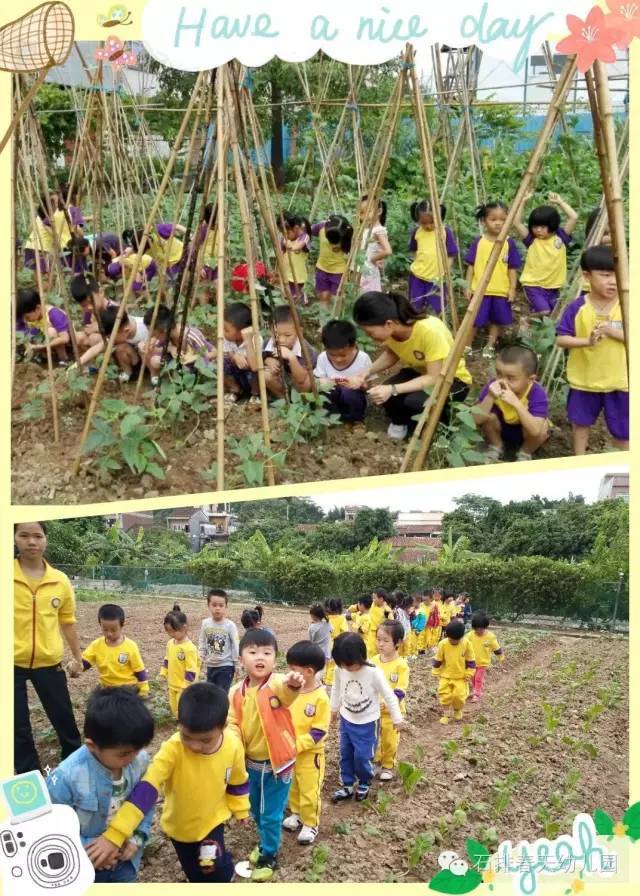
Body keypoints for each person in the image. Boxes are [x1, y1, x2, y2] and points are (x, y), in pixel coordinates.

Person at [86, 683, 249, 883]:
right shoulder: (172, 749)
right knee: (193, 871)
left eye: (205, 740)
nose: (195, 746)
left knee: (213, 868)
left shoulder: (233, 745)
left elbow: (237, 780)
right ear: (178, 724)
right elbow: (147, 789)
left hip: (213, 822)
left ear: (222, 727)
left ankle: (224, 876)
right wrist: (116, 833)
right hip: (179, 828)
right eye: (187, 737)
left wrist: (241, 807)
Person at [46, 687, 155, 882]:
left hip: (125, 861)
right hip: (82, 865)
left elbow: (146, 802)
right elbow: (51, 829)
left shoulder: (140, 761)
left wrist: (137, 837)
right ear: (92, 745)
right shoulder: (66, 777)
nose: (133, 758)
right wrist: (92, 850)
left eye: (137, 749)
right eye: (123, 754)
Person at [227, 629, 304, 881]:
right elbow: (232, 723)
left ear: (275, 658)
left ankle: (270, 853)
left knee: (270, 813)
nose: (260, 657)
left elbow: (288, 691)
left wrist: (294, 684)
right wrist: (233, 746)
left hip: (277, 765)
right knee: (255, 810)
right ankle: (264, 842)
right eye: (252, 652)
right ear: (241, 659)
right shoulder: (236, 692)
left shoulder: (276, 683)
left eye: (267, 653)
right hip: (250, 763)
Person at [351, 291, 472, 441]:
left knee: (413, 401)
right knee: (386, 395)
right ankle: (401, 422)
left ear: (388, 323)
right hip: (420, 373)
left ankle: (440, 428)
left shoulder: (430, 331)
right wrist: (366, 371)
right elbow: (392, 354)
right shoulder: (393, 332)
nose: (369, 337)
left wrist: (393, 389)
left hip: (451, 380)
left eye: (370, 333)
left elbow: (434, 378)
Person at [14, 522, 83, 774]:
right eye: (24, 535)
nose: (31, 542)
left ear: (45, 540)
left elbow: (67, 622)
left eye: (37, 536)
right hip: (11, 664)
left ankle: (74, 765)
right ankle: (28, 774)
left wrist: (78, 656)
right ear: (14, 538)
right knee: (17, 724)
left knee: (63, 717)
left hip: (48, 661)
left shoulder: (59, 580)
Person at [556, 245, 628, 454]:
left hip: (621, 381)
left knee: (624, 431)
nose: (613, 281)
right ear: (587, 276)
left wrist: (610, 330)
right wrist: (586, 342)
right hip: (584, 379)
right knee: (580, 424)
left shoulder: (628, 305)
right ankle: (580, 459)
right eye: (605, 275)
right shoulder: (577, 307)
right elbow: (562, 339)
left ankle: (626, 465)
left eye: (618, 275)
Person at [330, 633, 406, 803]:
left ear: (361, 656)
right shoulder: (339, 669)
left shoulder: (373, 672)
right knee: (346, 754)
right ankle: (348, 784)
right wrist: (333, 709)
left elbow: (389, 695)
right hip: (346, 719)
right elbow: (336, 688)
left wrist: (397, 718)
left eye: (351, 664)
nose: (348, 668)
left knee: (363, 756)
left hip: (367, 723)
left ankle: (364, 782)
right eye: (343, 664)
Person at [283, 642, 330, 845]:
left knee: (310, 789)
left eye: (293, 669)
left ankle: (311, 823)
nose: (289, 673)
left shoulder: (320, 698)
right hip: (291, 752)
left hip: (311, 755)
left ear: (309, 672)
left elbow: (319, 731)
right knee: (293, 786)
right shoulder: (291, 692)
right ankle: (297, 813)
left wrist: (299, 744)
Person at [464, 202, 522, 358]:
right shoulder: (479, 242)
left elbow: (512, 269)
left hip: (500, 290)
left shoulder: (509, 243)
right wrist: (467, 286)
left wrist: (511, 288)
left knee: (496, 321)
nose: (498, 223)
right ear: (484, 221)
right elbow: (471, 266)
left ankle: (490, 346)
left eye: (503, 219)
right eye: (493, 219)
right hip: (479, 290)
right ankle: (467, 344)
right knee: (474, 320)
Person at [475, 344, 550, 463]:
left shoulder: (537, 393)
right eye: (499, 374)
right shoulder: (493, 387)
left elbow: (535, 431)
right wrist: (490, 396)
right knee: (488, 416)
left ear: (530, 379)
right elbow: (476, 420)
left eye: (510, 378)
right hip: (500, 429)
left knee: (542, 430)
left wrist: (516, 403)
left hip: (525, 434)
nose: (502, 382)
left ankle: (524, 453)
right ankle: (496, 446)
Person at [515, 192, 578, 318]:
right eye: (535, 226)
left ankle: (527, 329)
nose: (538, 230)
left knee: (550, 317)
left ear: (552, 225)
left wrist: (560, 203)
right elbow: (516, 222)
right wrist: (522, 202)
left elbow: (573, 217)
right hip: (533, 285)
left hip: (554, 287)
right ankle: (525, 318)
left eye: (543, 227)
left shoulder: (560, 238)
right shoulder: (532, 240)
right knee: (545, 312)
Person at [245, 304, 317, 400]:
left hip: (299, 384)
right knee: (265, 374)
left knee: (308, 381)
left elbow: (302, 379)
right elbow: (257, 361)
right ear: (270, 331)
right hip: (280, 382)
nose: (282, 340)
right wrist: (267, 360)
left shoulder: (306, 349)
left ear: (300, 331)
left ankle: (301, 402)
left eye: (287, 335)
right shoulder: (268, 343)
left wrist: (291, 357)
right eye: (277, 335)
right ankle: (283, 400)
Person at [82, 604, 149, 698]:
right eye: (105, 630)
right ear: (100, 624)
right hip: (106, 690)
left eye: (113, 630)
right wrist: (77, 667)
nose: (109, 633)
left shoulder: (130, 646)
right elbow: (86, 662)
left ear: (122, 626)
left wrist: (143, 690)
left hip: (127, 691)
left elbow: (139, 671)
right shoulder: (96, 645)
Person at [314, 319, 372, 427]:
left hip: (354, 400)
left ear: (354, 345)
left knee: (348, 392)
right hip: (333, 400)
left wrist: (362, 385)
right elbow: (317, 382)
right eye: (332, 355)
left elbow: (369, 387)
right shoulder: (322, 358)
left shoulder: (363, 358)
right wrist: (324, 382)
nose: (338, 359)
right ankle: (331, 417)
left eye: (343, 355)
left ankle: (356, 420)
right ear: (325, 347)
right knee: (327, 391)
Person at [372, 621, 409, 781]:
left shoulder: (401, 665)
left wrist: (388, 703)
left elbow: (400, 690)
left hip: (392, 713)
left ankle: (388, 765)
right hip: (373, 711)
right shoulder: (373, 662)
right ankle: (375, 761)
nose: (381, 644)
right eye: (378, 639)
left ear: (398, 642)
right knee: (374, 738)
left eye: (386, 640)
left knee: (390, 740)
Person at [141, 304, 214, 385]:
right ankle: (178, 379)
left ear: (164, 331)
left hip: (194, 363)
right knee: (155, 361)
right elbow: (156, 349)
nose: (153, 338)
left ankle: (193, 382)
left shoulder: (191, 336)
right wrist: (170, 348)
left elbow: (211, 353)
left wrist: (194, 357)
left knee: (187, 369)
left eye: (154, 335)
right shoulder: (167, 336)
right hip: (181, 362)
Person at [407, 199, 458, 314]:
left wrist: (445, 270)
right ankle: (417, 324)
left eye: (432, 222)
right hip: (418, 276)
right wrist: (419, 262)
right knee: (416, 304)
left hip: (437, 278)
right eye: (424, 223)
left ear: (439, 218)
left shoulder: (444, 232)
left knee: (438, 307)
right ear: (418, 220)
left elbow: (451, 254)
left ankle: (437, 326)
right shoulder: (417, 232)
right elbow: (414, 250)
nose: (428, 226)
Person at [69, 274, 118, 369]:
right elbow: (87, 328)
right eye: (84, 305)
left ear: (101, 292)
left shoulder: (113, 310)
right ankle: (93, 364)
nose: (89, 307)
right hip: (102, 344)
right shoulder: (89, 311)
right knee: (79, 337)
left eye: (91, 302)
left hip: (115, 343)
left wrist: (98, 328)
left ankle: (109, 365)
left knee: (94, 338)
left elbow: (112, 338)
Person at [432, 619, 476, 724]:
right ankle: (446, 714)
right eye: (451, 639)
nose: (454, 642)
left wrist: (469, 673)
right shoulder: (443, 644)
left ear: (461, 637)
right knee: (444, 694)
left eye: (456, 640)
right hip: (445, 675)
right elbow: (438, 659)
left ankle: (457, 710)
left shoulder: (466, 643)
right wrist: (435, 670)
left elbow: (471, 660)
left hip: (460, 676)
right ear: (447, 636)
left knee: (459, 696)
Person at [198, 589, 239, 693]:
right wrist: (201, 656)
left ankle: (223, 709)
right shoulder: (205, 623)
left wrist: (237, 663)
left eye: (221, 605)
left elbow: (235, 645)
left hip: (226, 666)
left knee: (222, 694)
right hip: (210, 665)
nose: (217, 608)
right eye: (214, 605)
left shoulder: (230, 626)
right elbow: (202, 640)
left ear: (226, 607)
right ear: (208, 605)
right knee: (211, 693)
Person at [161, 605, 200, 718]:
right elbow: (167, 659)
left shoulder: (189, 648)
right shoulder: (170, 644)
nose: (171, 635)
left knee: (183, 709)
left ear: (184, 627)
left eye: (174, 632)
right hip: (172, 683)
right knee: (174, 708)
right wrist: (164, 671)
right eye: (169, 632)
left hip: (184, 687)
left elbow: (191, 670)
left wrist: (186, 686)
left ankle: (187, 725)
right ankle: (180, 722)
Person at [16, 288, 70, 365]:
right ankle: (43, 358)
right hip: (42, 338)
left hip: (63, 340)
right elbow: (19, 332)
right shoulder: (24, 314)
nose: (25, 320)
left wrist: (40, 346)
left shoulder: (54, 314)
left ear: (37, 308)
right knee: (30, 332)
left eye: (27, 317)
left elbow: (65, 338)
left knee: (51, 332)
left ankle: (63, 359)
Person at [99, 306, 149, 383]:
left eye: (112, 337)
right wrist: (79, 363)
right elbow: (98, 347)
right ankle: (129, 373)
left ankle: (152, 375)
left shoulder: (146, 328)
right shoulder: (121, 327)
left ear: (125, 331)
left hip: (149, 358)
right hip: (136, 359)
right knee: (120, 347)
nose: (112, 339)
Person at [311, 215, 353, 305]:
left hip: (338, 272)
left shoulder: (347, 233)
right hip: (322, 269)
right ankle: (323, 318)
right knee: (323, 297)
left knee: (336, 300)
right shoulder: (321, 227)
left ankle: (334, 318)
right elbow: (309, 230)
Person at [358, 195, 392, 292]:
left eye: (368, 212)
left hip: (369, 269)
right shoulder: (368, 229)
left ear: (379, 211)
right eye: (361, 213)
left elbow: (388, 251)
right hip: (363, 268)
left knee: (369, 295)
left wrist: (373, 259)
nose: (363, 216)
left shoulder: (378, 230)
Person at [468, 612, 504, 702]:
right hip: (472, 662)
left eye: (481, 629)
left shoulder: (490, 637)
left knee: (478, 678)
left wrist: (501, 656)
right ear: (474, 628)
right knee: (472, 677)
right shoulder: (470, 635)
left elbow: (496, 648)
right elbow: (464, 645)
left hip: (483, 662)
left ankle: (477, 694)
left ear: (485, 627)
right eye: (476, 629)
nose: (479, 631)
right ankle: (475, 689)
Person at [222, 302, 253, 403]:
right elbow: (229, 352)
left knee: (256, 373)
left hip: (250, 376)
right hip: (238, 375)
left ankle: (256, 394)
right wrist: (235, 356)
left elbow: (255, 364)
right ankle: (235, 390)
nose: (223, 332)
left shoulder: (255, 339)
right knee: (221, 363)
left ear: (241, 331)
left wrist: (245, 359)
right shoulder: (227, 339)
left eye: (226, 330)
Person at [280, 212, 311, 304]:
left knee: (299, 295)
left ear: (296, 229)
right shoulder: (285, 238)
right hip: (287, 273)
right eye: (283, 233)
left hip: (299, 274)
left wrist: (288, 245)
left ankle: (300, 310)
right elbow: (281, 252)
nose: (285, 235)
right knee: (290, 295)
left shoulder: (304, 237)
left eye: (287, 232)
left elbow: (298, 246)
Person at [324, 598, 348, 687]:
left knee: (325, 661)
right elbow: (345, 631)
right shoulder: (341, 618)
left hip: (325, 642)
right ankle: (329, 681)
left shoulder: (325, 618)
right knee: (333, 662)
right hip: (336, 643)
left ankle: (323, 678)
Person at [367, 587, 392, 657]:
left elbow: (391, 623)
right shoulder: (373, 605)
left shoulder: (386, 610)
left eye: (374, 598)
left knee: (379, 651)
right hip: (370, 632)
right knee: (370, 651)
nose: (373, 599)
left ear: (381, 599)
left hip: (380, 633)